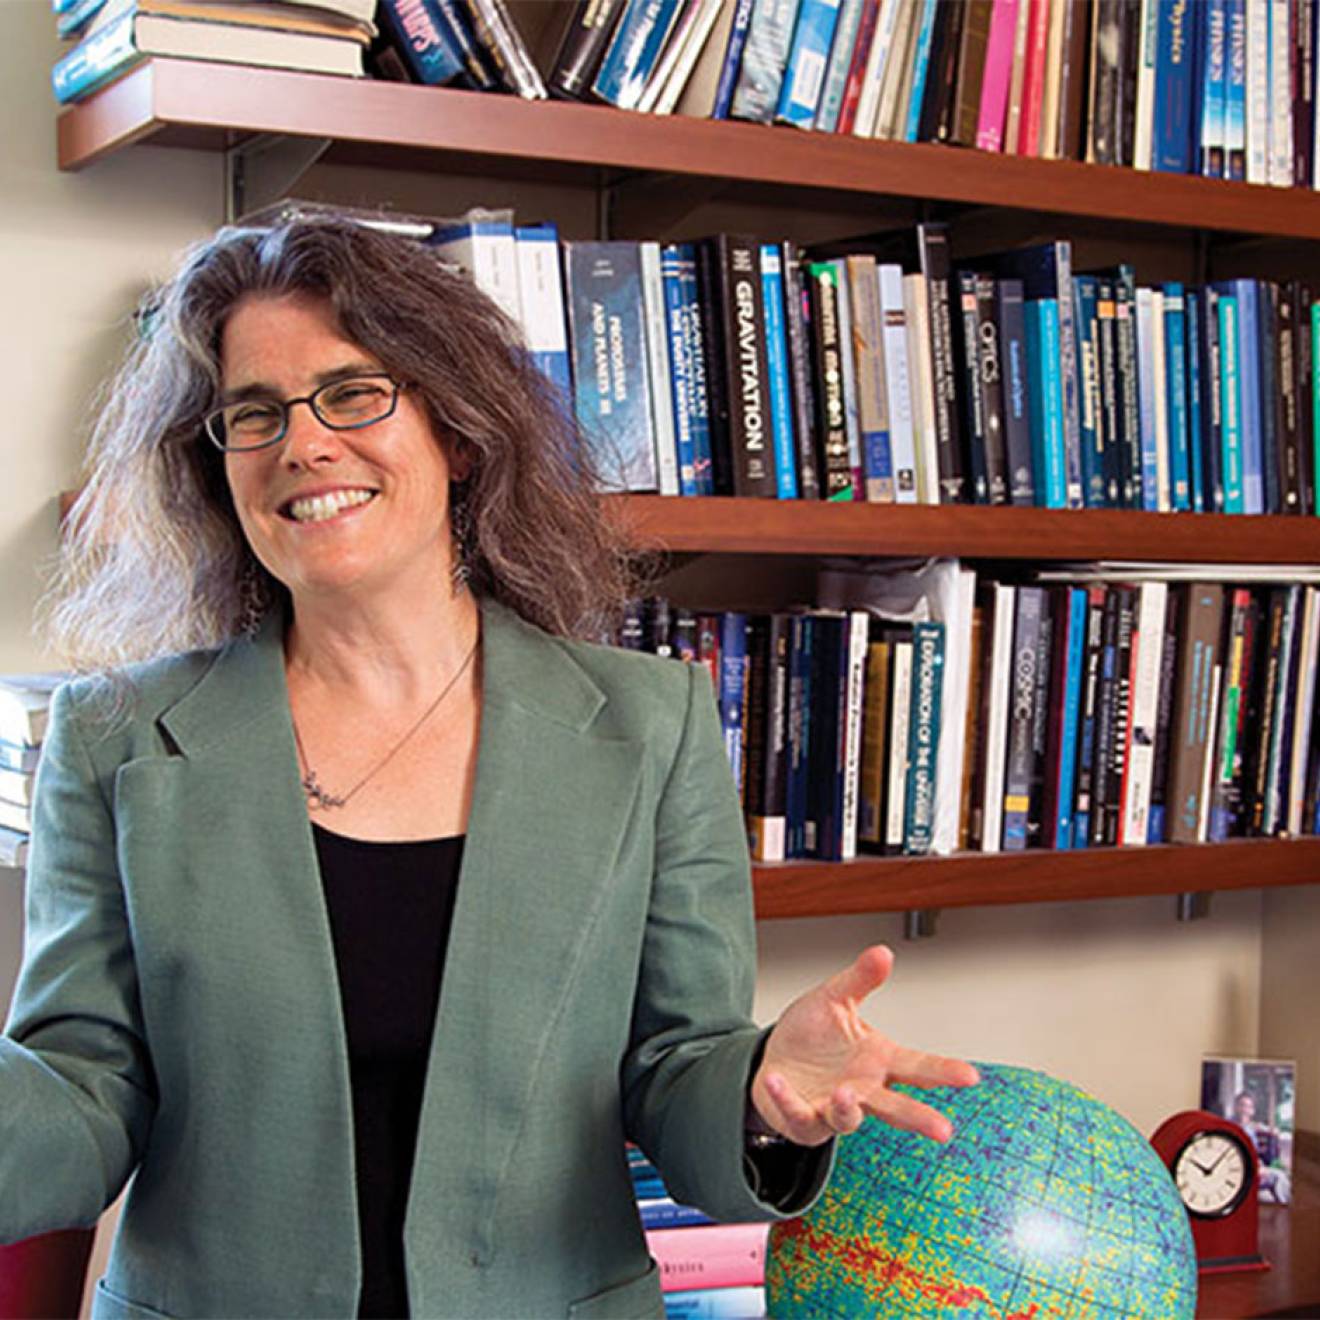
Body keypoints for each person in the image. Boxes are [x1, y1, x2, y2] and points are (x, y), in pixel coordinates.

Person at [3, 216, 977, 1319]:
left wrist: (763, 1093)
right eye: (253, 413)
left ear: (456, 433)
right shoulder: (116, 737)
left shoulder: (648, 726)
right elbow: (82, 1097)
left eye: (354, 393)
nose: (303, 444)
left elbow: (675, 1065)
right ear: (215, 463)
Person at [1231, 1090, 1291, 1204]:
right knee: (1279, 1178)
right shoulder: (1231, 1127)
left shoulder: (1250, 1127)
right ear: (1236, 1107)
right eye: (1242, 1105)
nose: (1244, 1109)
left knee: (1282, 1174)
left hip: (1253, 1165)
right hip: (1240, 1171)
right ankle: (1283, 1209)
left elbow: (1260, 1132)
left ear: (1252, 1111)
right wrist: (1257, 1167)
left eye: (1248, 1107)